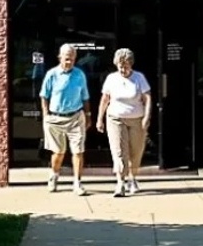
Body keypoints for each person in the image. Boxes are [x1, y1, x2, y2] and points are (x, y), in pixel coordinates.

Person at [96, 48, 152, 197]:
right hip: (115, 118)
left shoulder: (139, 78)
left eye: (126, 66)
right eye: (120, 66)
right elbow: (105, 99)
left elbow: (147, 99)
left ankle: (132, 178)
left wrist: (147, 117)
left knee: (136, 151)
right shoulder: (111, 79)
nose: (123, 70)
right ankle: (120, 182)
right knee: (119, 152)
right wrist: (99, 119)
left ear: (131, 64)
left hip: (137, 119)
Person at [39, 43, 94, 195]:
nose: (69, 62)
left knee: (78, 151)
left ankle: (77, 183)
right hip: (56, 118)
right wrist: (45, 115)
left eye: (72, 59)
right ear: (60, 57)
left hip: (76, 117)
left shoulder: (79, 74)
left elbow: (85, 97)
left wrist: (88, 115)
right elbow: (44, 95)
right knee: (59, 152)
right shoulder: (52, 74)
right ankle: (54, 175)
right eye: (67, 59)